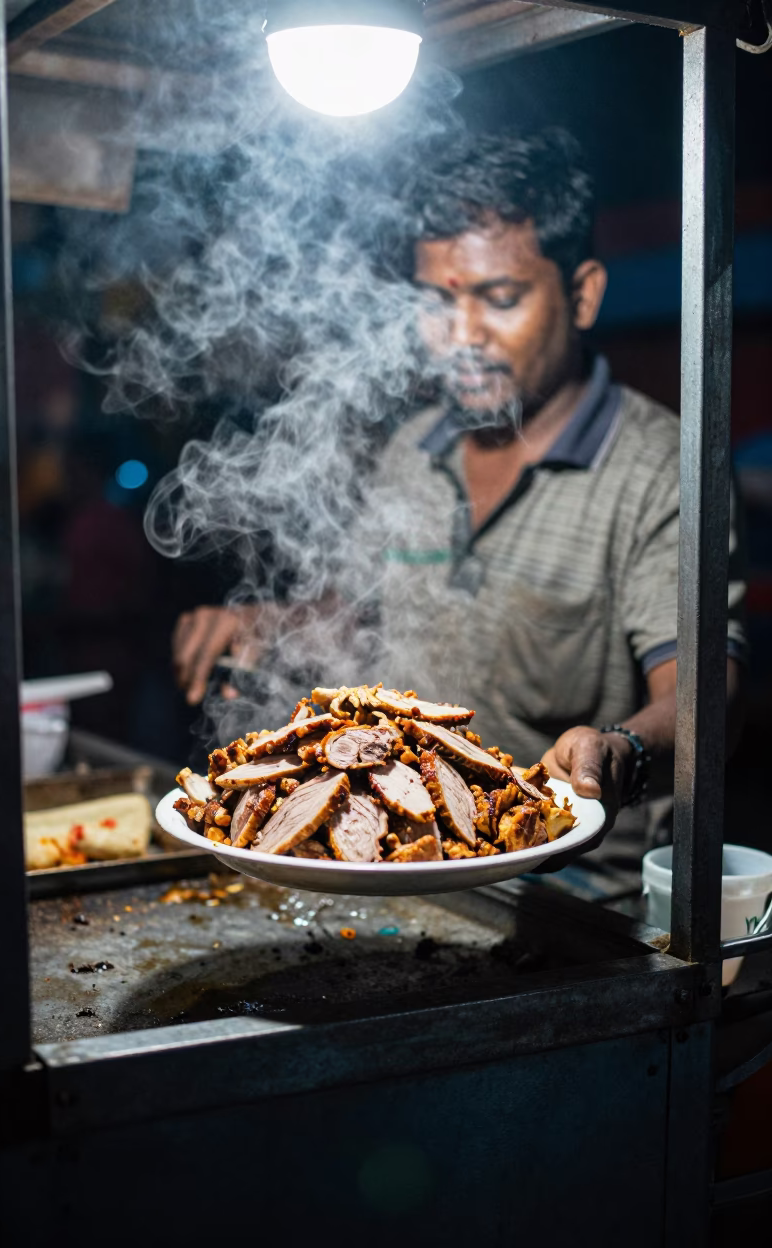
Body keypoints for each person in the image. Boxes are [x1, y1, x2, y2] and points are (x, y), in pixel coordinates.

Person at [172, 128, 746, 850]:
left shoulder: (661, 468)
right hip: (405, 867)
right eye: (437, 304)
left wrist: (620, 751)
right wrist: (277, 626)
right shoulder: (414, 448)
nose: (461, 336)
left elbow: (707, 699)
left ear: (583, 293)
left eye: (499, 299)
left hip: (579, 900)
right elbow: (366, 615)